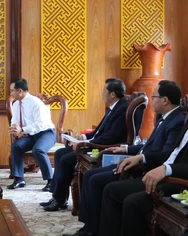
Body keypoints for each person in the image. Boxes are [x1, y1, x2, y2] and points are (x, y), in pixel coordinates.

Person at [65, 80, 184, 236]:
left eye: (154, 96)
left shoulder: (177, 120)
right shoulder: (165, 117)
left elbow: (164, 155)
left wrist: (140, 158)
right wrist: (126, 148)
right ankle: (89, 228)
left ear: (165, 100)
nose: (152, 99)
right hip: (139, 162)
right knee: (92, 176)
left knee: (99, 181)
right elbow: (148, 146)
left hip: (149, 170)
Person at [88, 118, 188, 236]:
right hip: (161, 172)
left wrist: (167, 169)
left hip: (177, 182)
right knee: (112, 190)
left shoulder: (176, 121)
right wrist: (141, 158)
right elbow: (171, 153)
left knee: (133, 203)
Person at [42, 78, 128, 211]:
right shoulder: (113, 107)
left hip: (103, 147)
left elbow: (112, 136)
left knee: (66, 159)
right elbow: (99, 131)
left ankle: (59, 200)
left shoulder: (122, 109)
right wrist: (84, 136)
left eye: (104, 90)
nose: (102, 93)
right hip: (95, 142)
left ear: (112, 94)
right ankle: (58, 197)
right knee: (59, 153)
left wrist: (87, 142)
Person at [8, 78, 56, 190]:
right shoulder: (15, 105)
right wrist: (14, 127)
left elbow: (40, 124)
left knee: (38, 149)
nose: (10, 93)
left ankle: (51, 181)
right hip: (31, 135)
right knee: (16, 146)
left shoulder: (36, 103)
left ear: (20, 91)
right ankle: (19, 179)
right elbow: (15, 120)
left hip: (46, 133)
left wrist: (22, 130)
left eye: (12, 90)